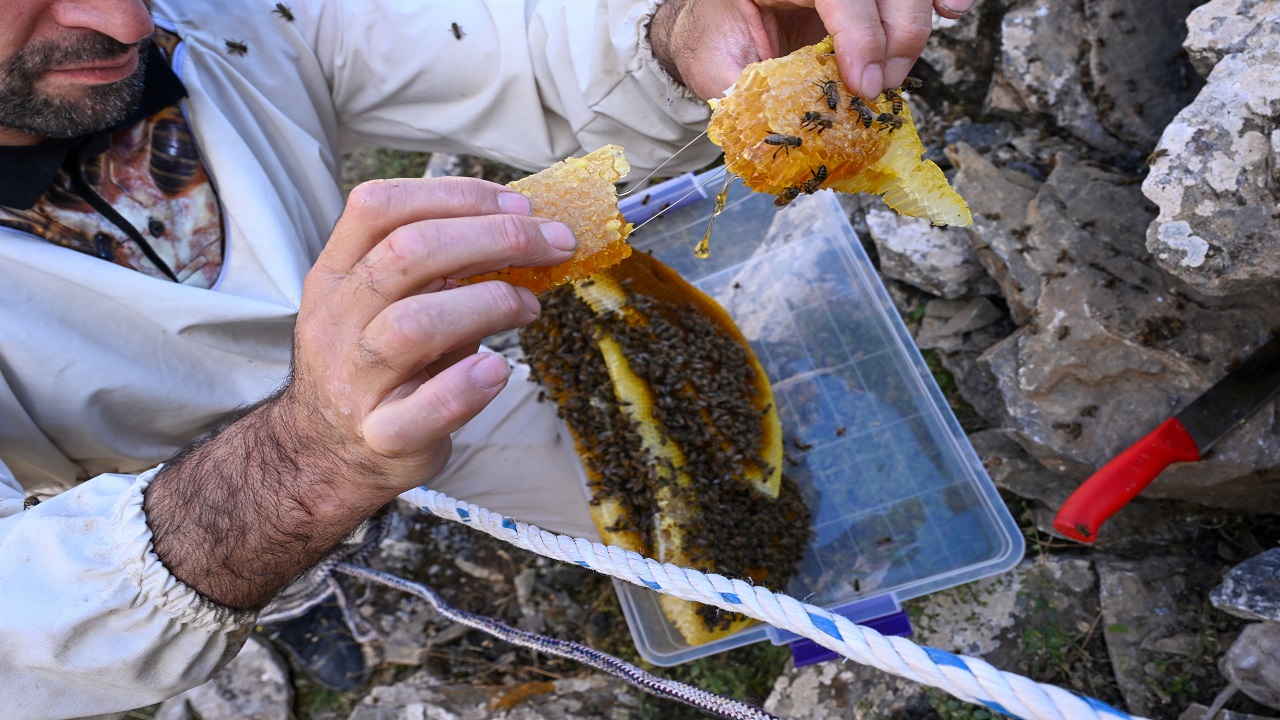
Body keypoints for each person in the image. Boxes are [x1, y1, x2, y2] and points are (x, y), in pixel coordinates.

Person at [0, 0, 966, 716]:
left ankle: (819, 632)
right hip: (157, 522)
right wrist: (306, 457)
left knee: (703, 507)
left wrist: (687, 32)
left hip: (429, 376)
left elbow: (475, 37)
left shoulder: (183, 12)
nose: (127, 20)